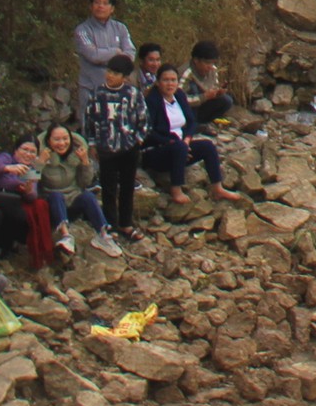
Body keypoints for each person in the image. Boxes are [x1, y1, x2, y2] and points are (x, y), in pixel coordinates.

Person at [140, 65, 240, 205]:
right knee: (179, 147)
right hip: (157, 150)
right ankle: (176, 190)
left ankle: (218, 188)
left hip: (180, 147)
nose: (170, 84)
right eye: (166, 80)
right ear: (158, 82)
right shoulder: (152, 100)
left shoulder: (179, 95)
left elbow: (191, 121)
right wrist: (174, 143)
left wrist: (187, 140)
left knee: (207, 146)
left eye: (173, 80)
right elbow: (149, 132)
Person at [80, 54, 147, 238]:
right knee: (108, 188)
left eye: (116, 73)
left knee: (127, 187)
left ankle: (126, 224)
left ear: (125, 77)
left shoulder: (133, 94)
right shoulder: (97, 94)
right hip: (105, 149)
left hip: (128, 148)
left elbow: (144, 121)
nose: (110, 75)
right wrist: (92, 144)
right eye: (109, 71)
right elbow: (89, 122)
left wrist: (137, 141)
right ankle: (111, 225)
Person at [34, 124, 119, 257]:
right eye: (57, 139)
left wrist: (85, 162)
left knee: (88, 196)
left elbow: (84, 183)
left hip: (72, 201)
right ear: (48, 141)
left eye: (65, 139)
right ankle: (66, 236)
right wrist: (40, 162)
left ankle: (103, 235)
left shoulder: (75, 156)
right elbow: (30, 183)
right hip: (52, 203)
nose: (62, 143)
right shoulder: (42, 157)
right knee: (56, 195)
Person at [72, 0, 135, 102]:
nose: (100, 6)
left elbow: (130, 53)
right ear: (91, 6)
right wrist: (116, 52)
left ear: (112, 9)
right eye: (97, 2)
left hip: (118, 88)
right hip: (91, 88)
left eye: (105, 3)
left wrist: (108, 57)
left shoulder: (121, 28)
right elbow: (93, 55)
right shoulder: (82, 30)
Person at [181, 44, 234, 123]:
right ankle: (190, 124)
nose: (210, 66)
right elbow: (179, 99)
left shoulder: (212, 70)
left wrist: (217, 93)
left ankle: (203, 124)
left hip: (202, 102)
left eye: (212, 63)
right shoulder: (186, 72)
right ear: (196, 60)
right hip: (186, 106)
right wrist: (204, 97)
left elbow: (214, 86)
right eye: (207, 63)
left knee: (226, 100)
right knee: (193, 88)